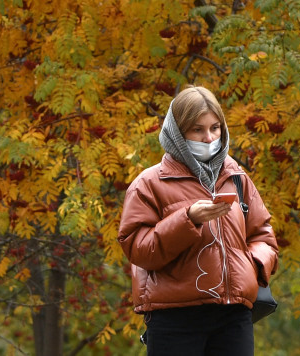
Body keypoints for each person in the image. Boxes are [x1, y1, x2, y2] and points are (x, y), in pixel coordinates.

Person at [118, 85, 279, 356]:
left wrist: (251, 267)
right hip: (175, 318)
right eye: (197, 130)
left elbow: (263, 234)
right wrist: (187, 220)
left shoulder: (236, 176)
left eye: (215, 128)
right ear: (178, 133)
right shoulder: (148, 183)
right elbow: (138, 250)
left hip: (233, 315)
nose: (208, 138)